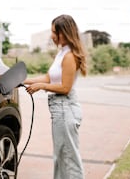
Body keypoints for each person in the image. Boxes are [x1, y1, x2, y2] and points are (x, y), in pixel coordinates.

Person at [24, 14, 87, 179]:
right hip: (60, 109)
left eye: (54, 32)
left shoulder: (69, 56)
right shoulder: (62, 53)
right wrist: (23, 81)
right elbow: (48, 78)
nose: (52, 36)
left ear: (65, 32)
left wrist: (42, 87)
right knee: (61, 157)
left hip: (65, 108)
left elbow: (65, 88)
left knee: (69, 159)